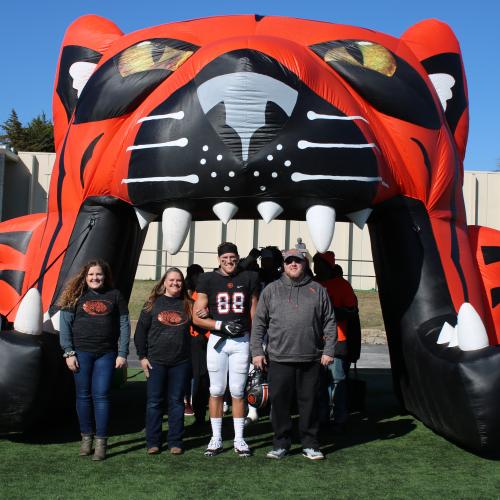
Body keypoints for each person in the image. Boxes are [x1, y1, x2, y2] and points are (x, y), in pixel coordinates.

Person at [251, 249, 337, 460]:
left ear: (304, 264)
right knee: (279, 403)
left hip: (310, 358)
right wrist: (256, 351)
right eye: (289, 261)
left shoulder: (318, 290)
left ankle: (310, 444)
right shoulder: (271, 290)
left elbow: (330, 322)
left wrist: (329, 350)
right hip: (279, 358)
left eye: (297, 261)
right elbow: (259, 323)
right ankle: (281, 443)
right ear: (284, 264)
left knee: (309, 403)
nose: (293, 264)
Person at [59, 260, 130, 461]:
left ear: (105, 276)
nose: (95, 278)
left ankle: (101, 441)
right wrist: (69, 352)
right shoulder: (75, 296)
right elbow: (65, 326)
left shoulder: (115, 296)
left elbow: (124, 325)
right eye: (91, 275)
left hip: (106, 354)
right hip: (81, 353)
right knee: (83, 396)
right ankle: (86, 437)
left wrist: (122, 353)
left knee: (101, 395)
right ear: (85, 276)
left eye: (98, 274)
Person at [193, 242, 259, 457]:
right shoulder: (207, 279)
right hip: (218, 341)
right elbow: (196, 316)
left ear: (238, 258)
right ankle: (216, 437)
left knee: (238, 391)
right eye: (224, 258)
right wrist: (220, 325)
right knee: (216, 390)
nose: (229, 262)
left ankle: (239, 439)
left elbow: (254, 312)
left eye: (232, 258)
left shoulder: (249, 278)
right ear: (218, 259)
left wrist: (257, 341)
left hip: (241, 341)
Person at [134, 267, 193, 455]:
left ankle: (175, 441)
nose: (175, 283)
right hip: (155, 362)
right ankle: (153, 442)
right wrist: (142, 357)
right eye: (172, 280)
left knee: (176, 402)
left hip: (181, 362)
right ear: (164, 283)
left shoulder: (189, 304)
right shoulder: (152, 303)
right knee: (154, 402)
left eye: (179, 281)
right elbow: (140, 333)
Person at [313, 252, 361, 426]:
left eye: (319, 263)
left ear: (328, 266)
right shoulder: (312, 283)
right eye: (315, 263)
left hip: (338, 340)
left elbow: (352, 311)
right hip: (315, 341)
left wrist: (331, 311)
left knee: (337, 380)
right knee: (319, 382)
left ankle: (339, 418)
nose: (315, 267)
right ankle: (322, 417)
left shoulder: (342, 285)